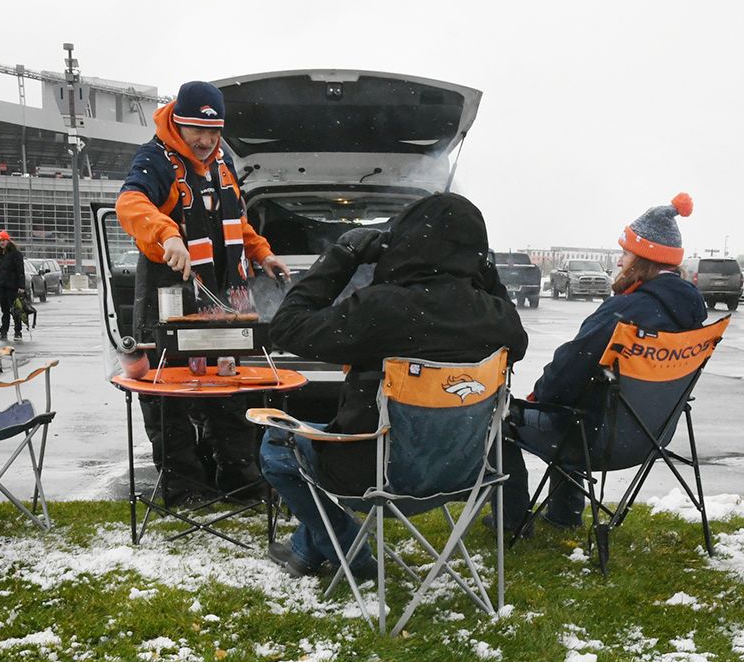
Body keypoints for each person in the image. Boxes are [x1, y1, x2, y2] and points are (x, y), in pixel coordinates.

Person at [255, 193, 529, 577]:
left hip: (377, 474)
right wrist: (484, 275)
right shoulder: (498, 318)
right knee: (328, 445)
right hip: (460, 471)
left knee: (278, 442)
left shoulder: (382, 308)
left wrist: (342, 257)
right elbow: (518, 340)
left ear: (405, 242)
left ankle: (351, 553)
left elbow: (286, 328)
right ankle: (306, 551)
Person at [115, 80, 290, 504]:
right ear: (178, 121)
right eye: (197, 131)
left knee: (232, 387)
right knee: (168, 393)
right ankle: (184, 485)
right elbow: (130, 204)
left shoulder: (222, 160)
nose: (206, 140)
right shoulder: (154, 159)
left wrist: (262, 254)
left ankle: (240, 479)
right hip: (169, 298)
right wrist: (167, 235)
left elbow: (238, 220)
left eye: (214, 132)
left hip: (227, 297)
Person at [505, 194, 708, 528]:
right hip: (653, 436)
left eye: (625, 253)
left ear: (644, 261)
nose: (619, 262)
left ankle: (514, 521)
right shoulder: (692, 316)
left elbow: (569, 368)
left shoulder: (626, 313)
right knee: (581, 404)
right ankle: (561, 513)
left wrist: (539, 397)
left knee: (508, 420)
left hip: (599, 441)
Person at [0, 230, 29, 342]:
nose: (1, 242)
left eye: (3, 240)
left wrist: (21, 286)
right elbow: (1, 269)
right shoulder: (1, 254)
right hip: (2, 286)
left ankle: (18, 332)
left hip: (12, 287)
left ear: (8, 240)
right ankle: (3, 332)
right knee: (5, 311)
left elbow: (20, 271)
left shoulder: (16, 254)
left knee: (15, 311)